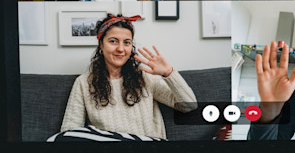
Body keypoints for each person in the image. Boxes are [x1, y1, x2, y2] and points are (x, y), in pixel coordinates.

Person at [60, 14, 196, 139]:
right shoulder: (83, 83)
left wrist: (169, 73)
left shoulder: (145, 78)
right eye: (113, 41)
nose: (121, 48)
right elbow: (69, 132)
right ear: (101, 45)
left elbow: (189, 106)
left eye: (127, 42)